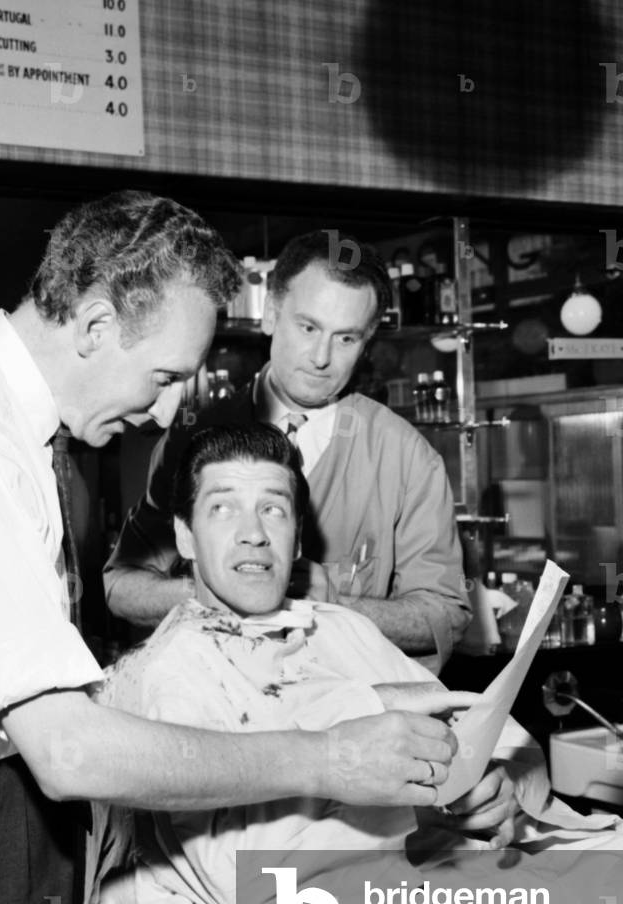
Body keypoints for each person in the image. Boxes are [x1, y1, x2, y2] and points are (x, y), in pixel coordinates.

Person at [0, 193, 466, 904]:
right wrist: (326, 759)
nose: (161, 412)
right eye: (161, 377)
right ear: (92, 327)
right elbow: (71, 751)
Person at [84, 423, 623, 904]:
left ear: (295, 536)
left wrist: (489, 785)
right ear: (182, 536)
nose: (252, 532)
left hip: (450, 867)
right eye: (222, 508)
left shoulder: (340, 628)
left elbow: (487, 743)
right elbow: (236, 877)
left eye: (273, 508)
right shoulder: (171, 673)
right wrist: (412, 814)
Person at [103, 231, 471, 671]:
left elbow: (444, 615)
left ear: (368, 341)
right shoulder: (191, 437)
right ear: (271, 315)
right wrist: (223, 590)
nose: (321, 357)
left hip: (352, 712)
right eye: (308, 326)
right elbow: (122, 586)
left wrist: (332, 604)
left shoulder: (406, 456)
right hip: (220, 712)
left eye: (346, 338)